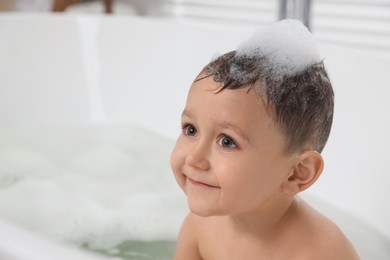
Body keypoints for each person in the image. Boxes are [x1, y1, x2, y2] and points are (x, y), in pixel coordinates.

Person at [170, 20, 359, 259]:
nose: (194, 158)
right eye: (190, 129)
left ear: (297, 173)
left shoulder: (321, 253)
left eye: (227, 141)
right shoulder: (201, 226)